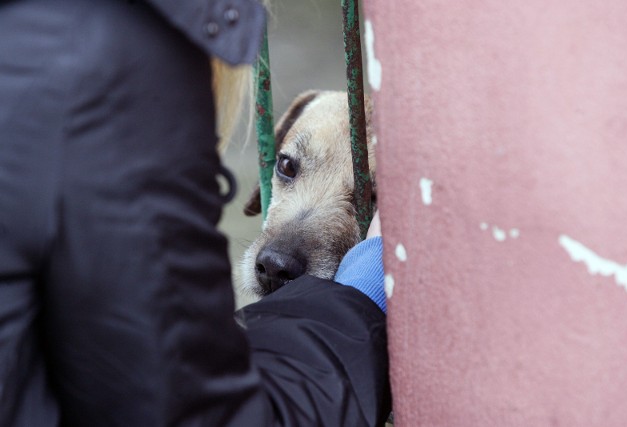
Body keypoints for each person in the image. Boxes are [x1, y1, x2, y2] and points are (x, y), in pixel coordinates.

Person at [0, 0, 390, 425]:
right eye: (289, 168)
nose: (277, 259)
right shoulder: (118, 66)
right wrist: (358, 303)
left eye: (366, 199)